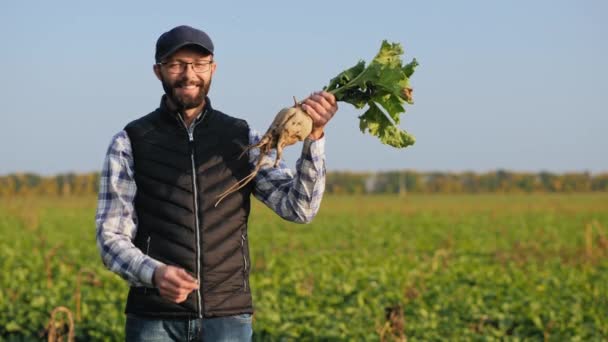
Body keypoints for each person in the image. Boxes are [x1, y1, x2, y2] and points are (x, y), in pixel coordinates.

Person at [95, 25, 338, 341]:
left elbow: (299, 208)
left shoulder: (240, 138)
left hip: (228, 319)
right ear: (158, 71)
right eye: (176, 64)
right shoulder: (130, 141)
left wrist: (314, 137)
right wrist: (153, 273)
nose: (189, 73)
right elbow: (110, 237)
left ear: (213, 68)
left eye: (199, 64)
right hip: (154, 318)